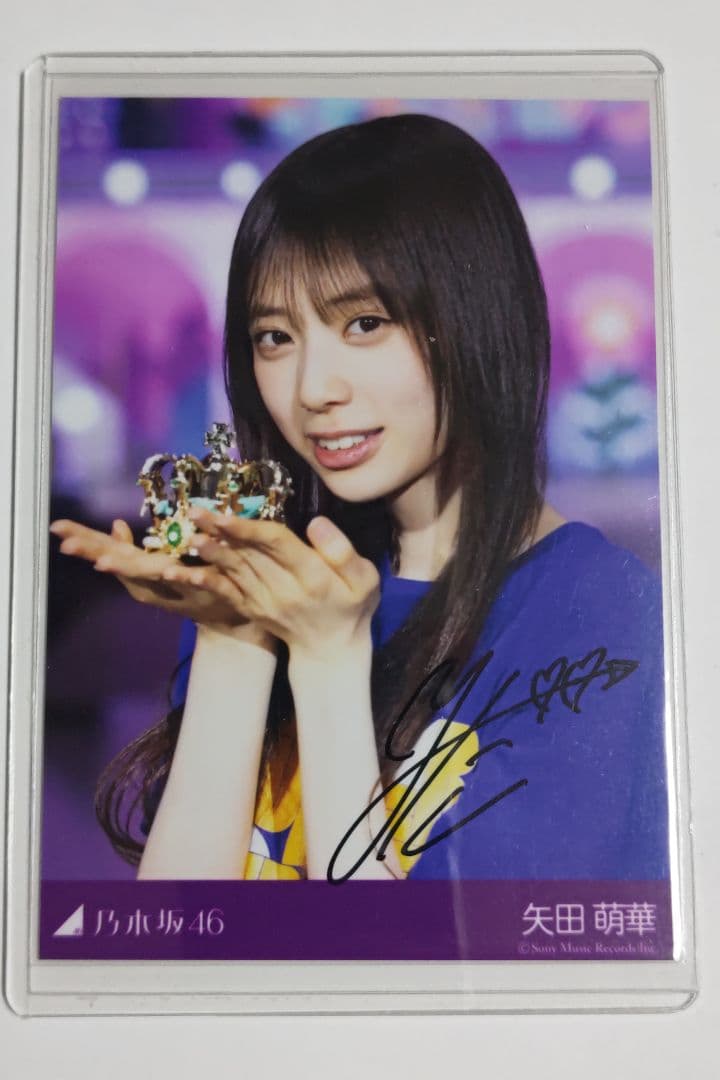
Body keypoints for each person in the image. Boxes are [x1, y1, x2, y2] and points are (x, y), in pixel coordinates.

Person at [50, 113, 669, 883]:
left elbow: (416, 960)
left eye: (365, 324)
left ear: (476, 317)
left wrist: (329, 660)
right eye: (275, 337)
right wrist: (232, 641)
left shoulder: (597, 616)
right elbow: (181, 937)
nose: (313, 388)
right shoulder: (277, 584)